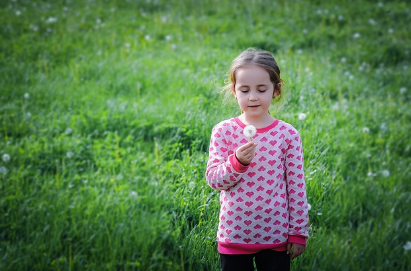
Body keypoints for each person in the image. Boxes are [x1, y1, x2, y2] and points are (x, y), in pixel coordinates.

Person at [205, 48, 309, 271]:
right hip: (234, 234)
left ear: (276, 90)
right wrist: (237, 163)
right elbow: (214, 180)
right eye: (245, 90)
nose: (252, 96)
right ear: (234, 91)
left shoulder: (288, 135)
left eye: (261, 89)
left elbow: (296, 186)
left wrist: (298, 232)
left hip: (275, 235)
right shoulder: (223, 131)